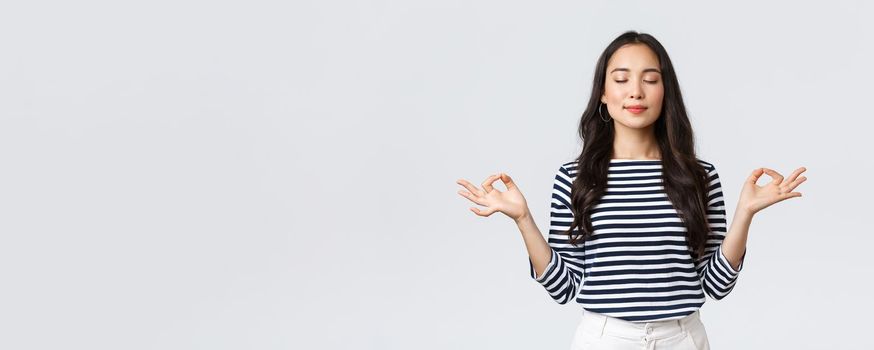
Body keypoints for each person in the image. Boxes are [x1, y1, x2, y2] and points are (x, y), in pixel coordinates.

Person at [455, 30, 807, 350]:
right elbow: (563, 287)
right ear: (604, 95)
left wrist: (745, 214)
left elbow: (715, 285)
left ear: (665, 91)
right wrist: (522, 218)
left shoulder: (699, 176)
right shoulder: (574, 177)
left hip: (683, 339)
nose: (636, 91)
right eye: (621, 79)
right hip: (604, 340)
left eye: (650, 79)